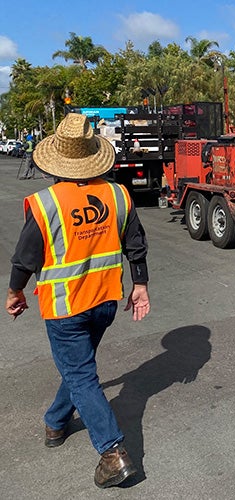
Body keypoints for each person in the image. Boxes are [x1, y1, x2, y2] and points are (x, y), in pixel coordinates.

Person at [5, 113, 151, 488]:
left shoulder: (46, 203)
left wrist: (15, 291)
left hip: (66, 308)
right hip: (104, 302)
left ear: (57, 160)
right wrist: (141, 285)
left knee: (82, 374)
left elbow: (24, 258)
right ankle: (55, 423)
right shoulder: (117, 194)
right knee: (79, 369)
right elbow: (135, 242)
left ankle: (112, 452)